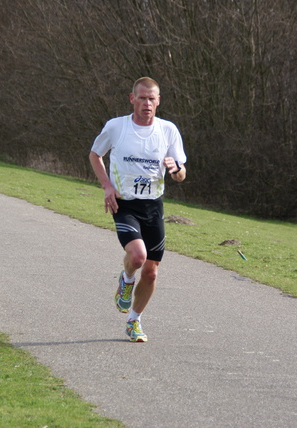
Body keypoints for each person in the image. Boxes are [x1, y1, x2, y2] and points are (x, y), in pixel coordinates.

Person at [89, 77, 187, 342]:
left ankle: (134, 321)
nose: (147, 103)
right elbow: (95, 155)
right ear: (132, 99)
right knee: (137, 257)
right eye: (142, 98)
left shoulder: (168, 131)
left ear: (158, 101)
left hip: (153, 206)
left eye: (151, 98)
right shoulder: (116, 127)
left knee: (152, 271)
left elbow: (181, 174)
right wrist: (107, 186)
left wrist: (176, 170)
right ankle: (127, 279)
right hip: (125, 204)